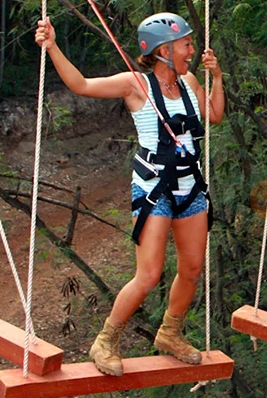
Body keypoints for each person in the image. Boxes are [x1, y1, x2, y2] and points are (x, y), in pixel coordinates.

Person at [35, 12, 224, 376]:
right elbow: (82, 85)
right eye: (185, 44)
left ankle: (170, 332)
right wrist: (53, 47)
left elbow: (214, 116)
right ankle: (105, 340)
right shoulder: (135, 84)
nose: (192, 49)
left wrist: (215, 77)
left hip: (191, 186)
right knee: (149, 273)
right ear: (163, 50)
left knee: (192, 268)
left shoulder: (189, 82)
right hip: (155, 188)